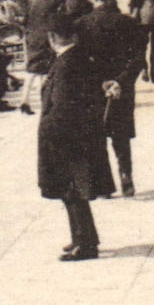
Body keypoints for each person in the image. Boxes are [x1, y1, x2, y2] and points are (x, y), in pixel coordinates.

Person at [38, 16, 114, 261]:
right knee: (73, 190)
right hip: (81, 135)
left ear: (52, 39)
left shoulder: (65, 64)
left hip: (66, 137)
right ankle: (83, 237)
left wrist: (49, 131)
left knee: (71, 191)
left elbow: (60, 105)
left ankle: (86, 243)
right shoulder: (79, 58)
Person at [78, 0, 146, 196]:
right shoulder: (127, 22)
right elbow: (139, 58)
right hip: (122, 87)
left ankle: (102, 186)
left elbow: (78, 63)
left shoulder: (81, 25)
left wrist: (98, 82)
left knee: (95, 135)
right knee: (121, 136)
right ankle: (126, 177)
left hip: (93, 88)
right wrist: (120, 82)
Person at [20, 0, 65, 114]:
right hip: (45, 39)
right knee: (47, 71)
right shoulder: (52, 2)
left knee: (31, 71)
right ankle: (45, 102)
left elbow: (25, 21)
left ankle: (24, 101)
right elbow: (55, 22)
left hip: (32, 38)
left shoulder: (32, 1)